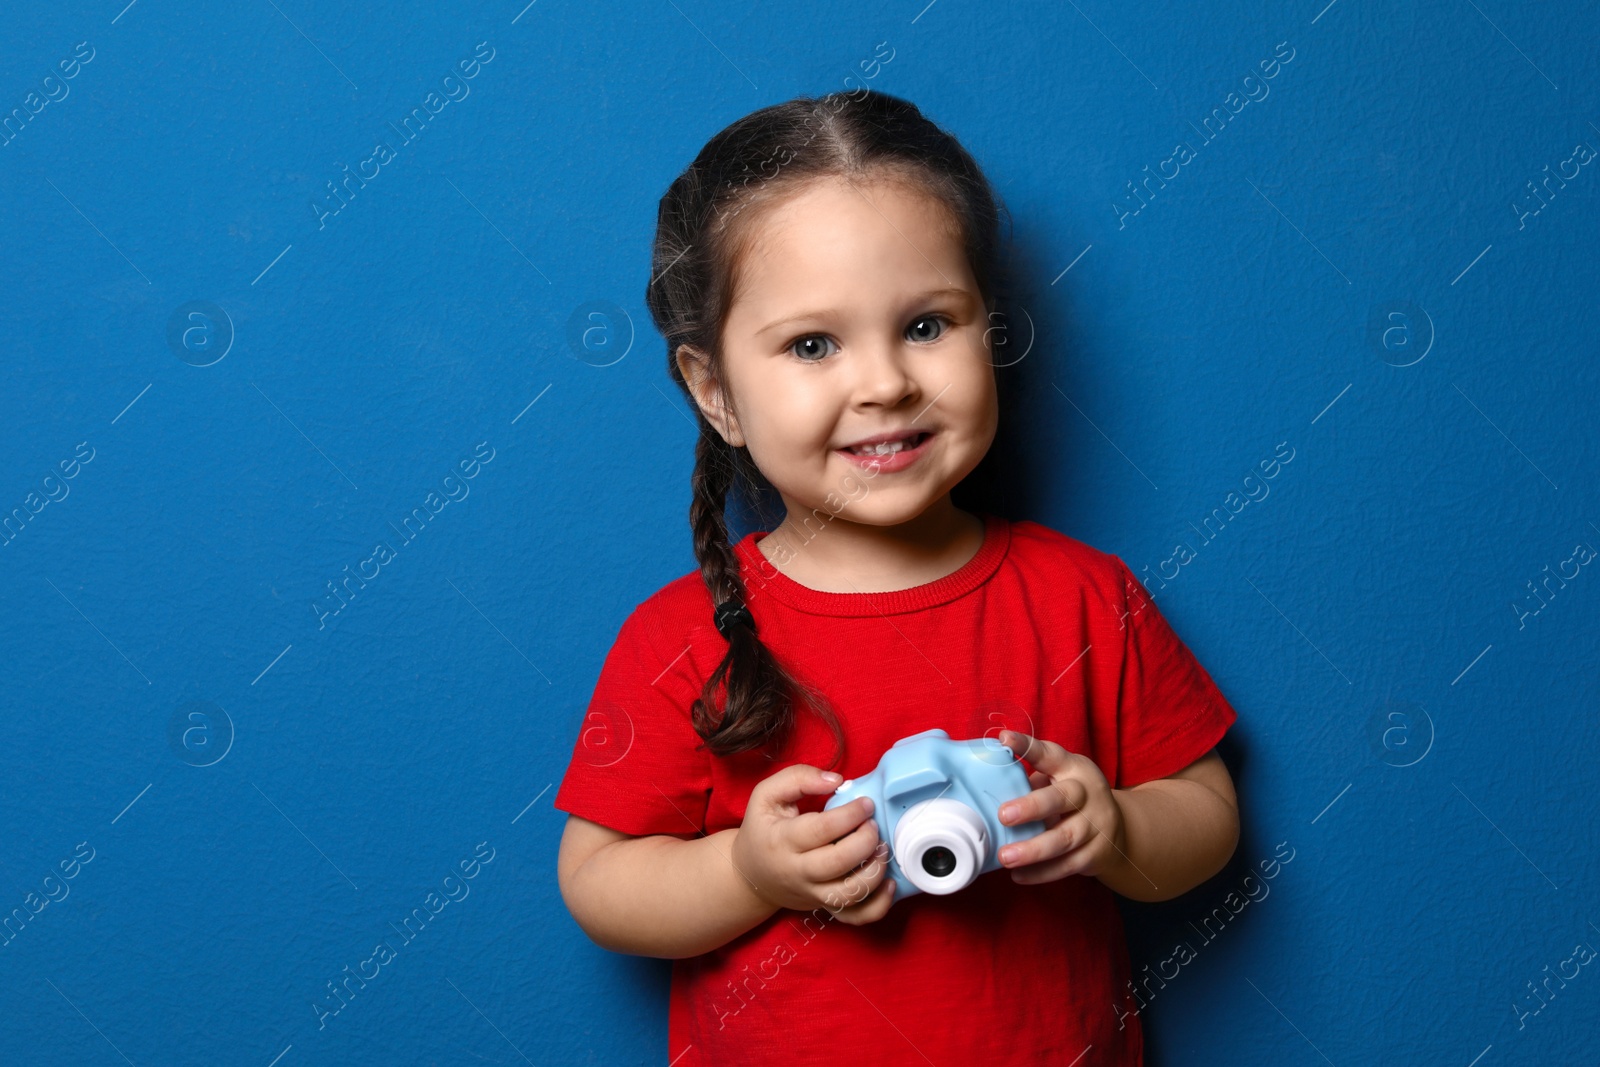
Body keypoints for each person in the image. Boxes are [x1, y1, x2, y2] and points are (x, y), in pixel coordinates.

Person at [553, 88, 1240, 1065]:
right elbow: (597, 881)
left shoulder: (1087, 597)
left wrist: (1115, 821)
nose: (883, 382)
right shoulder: (684, 632)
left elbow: (1208, 818)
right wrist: (750, 869)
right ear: (716, 393)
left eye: (926, 325)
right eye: (812, 344)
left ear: (986, 329)